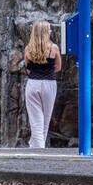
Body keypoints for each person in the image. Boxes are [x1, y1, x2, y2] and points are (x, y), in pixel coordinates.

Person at [24, 20, 62, 148]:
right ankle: (39, 150)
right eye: (49, 29)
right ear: (45, 32)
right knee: (45, 121)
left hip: (33, 83)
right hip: (49, 84)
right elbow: (58, 68)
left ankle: (35, 148)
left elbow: (28, 69)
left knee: (36, 122)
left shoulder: (28, 49)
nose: (51, 31)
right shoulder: (53, 48)